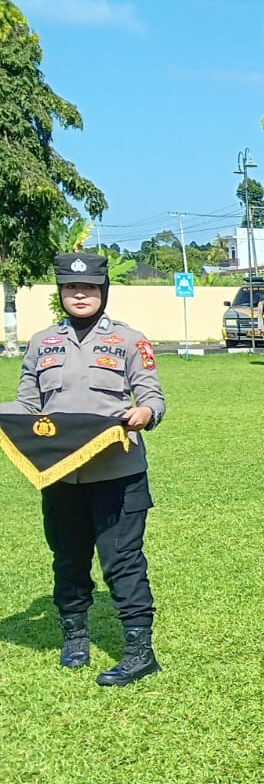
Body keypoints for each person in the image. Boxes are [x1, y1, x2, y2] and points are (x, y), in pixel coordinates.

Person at [13, 252, 167, 686]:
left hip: (118, 472)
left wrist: (144, 414)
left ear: (103, 292)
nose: (80, 295)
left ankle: (140, 649)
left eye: (89, 289)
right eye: (71, 288)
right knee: (68, 557)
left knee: (123, 561)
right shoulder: (43, 342)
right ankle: (75, 635)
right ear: (61, 292)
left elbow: (153, 396)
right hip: (60, 473)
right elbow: (27, 406)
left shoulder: (129, 340)